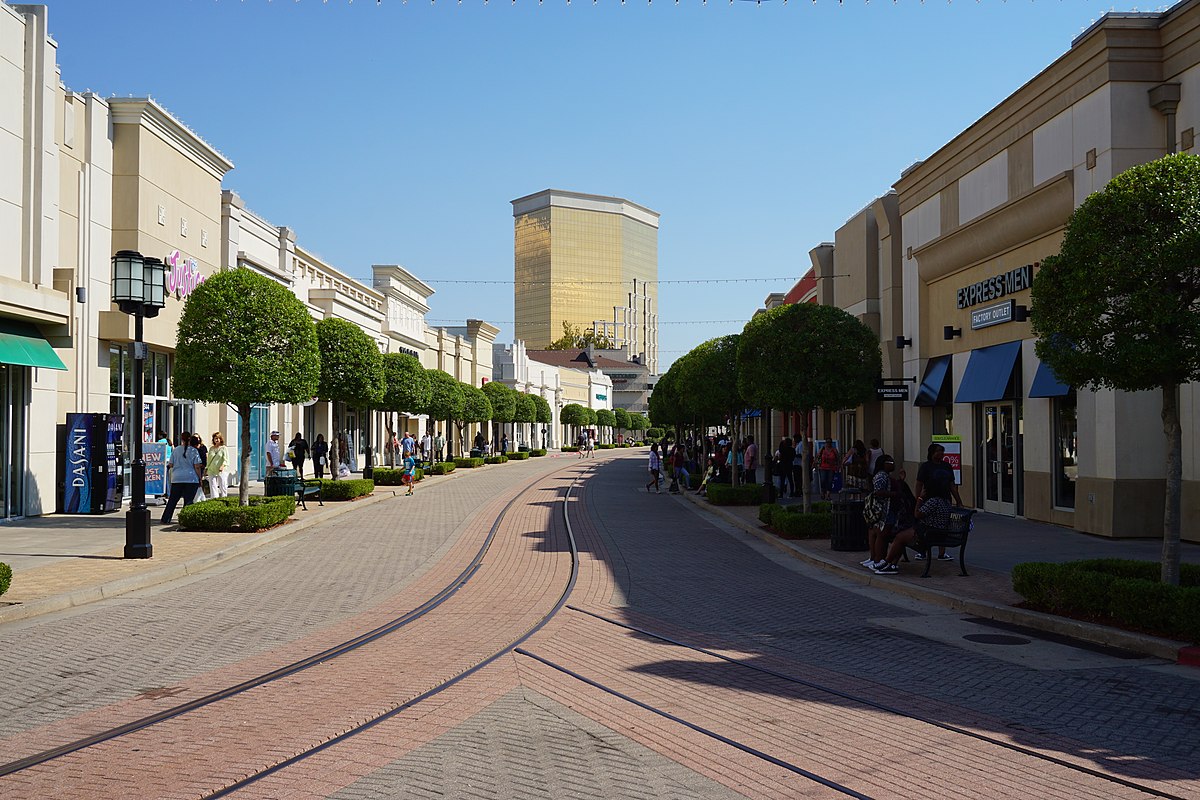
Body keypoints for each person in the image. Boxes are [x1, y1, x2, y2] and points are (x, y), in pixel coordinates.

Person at [873, 471, 955, 575]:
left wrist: (920, 498)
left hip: (929, 533)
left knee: (899, 537)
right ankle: (891, 564)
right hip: (937, 532)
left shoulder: (934, 501)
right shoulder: (945, 501)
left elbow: (917, 514)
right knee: (901, 535)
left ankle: (887, 562)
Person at [914, 443, 963, 561]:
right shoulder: (926, 467)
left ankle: (942, 553)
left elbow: (952, 485)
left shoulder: (947, 466)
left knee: (943, 525)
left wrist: (958, 500)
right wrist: (918, 499)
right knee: (925, 524)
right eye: (938, 451)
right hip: (929, 500)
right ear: (931, 453)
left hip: (944, 499)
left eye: (942, 451)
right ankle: (922, 551)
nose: (941, 453)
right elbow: (919, 483)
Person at [162, 432, 203, 525]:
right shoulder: (194, 451)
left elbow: (171, 464)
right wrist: (200, 478)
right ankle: (185, 520)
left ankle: (166, 518)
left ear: (181, 439)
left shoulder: (176, 450)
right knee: (188, 501)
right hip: (191, 479)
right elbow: (197, 466)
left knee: (173, 500)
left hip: (177, 478)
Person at [206, 432, 230, 498]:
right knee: (213, 486)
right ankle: (214, 499)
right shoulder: (211, 448)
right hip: (211, 469)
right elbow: (209, 460)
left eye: (218, 438)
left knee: (223, 485)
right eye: (215, 438)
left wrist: (223, 466)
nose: (216, 440)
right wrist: (207, 468)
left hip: (221, 470)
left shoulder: (224, 448)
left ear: (220, 439)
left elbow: (226, 459)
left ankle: (224, 498)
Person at [190, 434, 209, 500]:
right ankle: (199, 497)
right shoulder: (192, 449)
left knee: (200, 481)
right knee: (197, 482)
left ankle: (199, 496)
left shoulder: (203, 447)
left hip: (201, 466)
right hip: (194, 467)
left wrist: (206, 466)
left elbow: (206, 456)